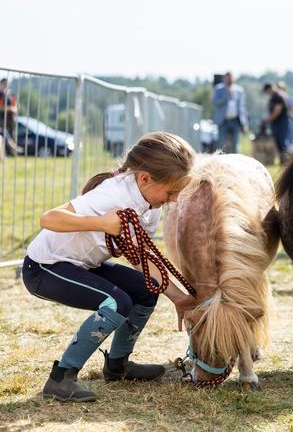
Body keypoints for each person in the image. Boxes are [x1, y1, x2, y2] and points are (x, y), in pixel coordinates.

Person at [22, 132, 198, 402]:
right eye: (171, 191)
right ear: (145, 178)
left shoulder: (151, 206)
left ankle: (118, 366)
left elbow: (141, 258)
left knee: (146, 291)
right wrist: (102, 223)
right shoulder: (111, 195)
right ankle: (61, 378)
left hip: (82, 265)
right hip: (44, 267)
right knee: (115, 303)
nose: (174, 199)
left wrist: (178, 298)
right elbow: (49, 219)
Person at [212, 72, 248, 153]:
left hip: (235, 121)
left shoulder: (239, 90)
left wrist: (244, 124)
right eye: (228, 78)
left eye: (231, 77)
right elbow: (215, 101)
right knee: (221, 144)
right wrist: (226, 96)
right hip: (223, 121)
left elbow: (242, 108)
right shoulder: (218, 88)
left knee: (236, 145)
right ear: (224, 78)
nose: (229, 79)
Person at [263, 83, 291, 164]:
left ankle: (286, 161)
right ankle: (283, 162)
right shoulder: (273, 97)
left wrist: (269, 119)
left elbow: (277, 110)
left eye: (266, 91)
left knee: (283, 143)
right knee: (278, 143)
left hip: (281, 122)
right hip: (276, 123)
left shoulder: (277, 96)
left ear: (269, 89)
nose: (266, 93)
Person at [0, 78, 18, 156]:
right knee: (3, 135)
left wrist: (14, 108)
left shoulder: (12, 95)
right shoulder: (0, 95)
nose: (5, 85)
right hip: (1, 119)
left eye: (7, 83)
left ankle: (12, 152)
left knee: (11, 135)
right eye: (4, 83)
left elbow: (16, 106)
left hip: (11, 119)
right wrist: (9, 108)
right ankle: (4, 153)